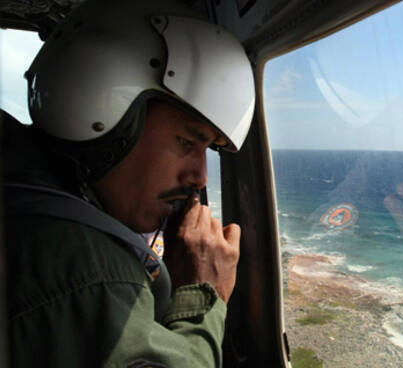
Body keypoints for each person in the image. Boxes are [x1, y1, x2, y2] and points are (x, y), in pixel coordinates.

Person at [2, 0, 255, 366]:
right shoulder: (91, 272)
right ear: (100, 111)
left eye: (208, 149)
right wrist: (204, 294)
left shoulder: (19, 171)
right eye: (187, 142)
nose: (199, 177)